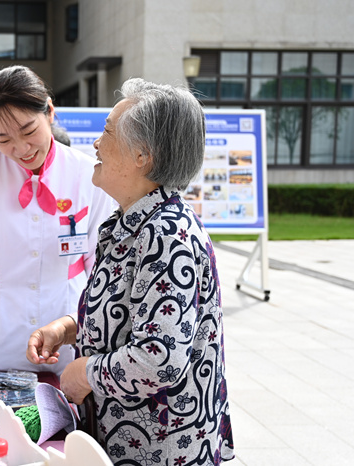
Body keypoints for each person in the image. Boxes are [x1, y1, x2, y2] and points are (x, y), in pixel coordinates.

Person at [27, 79, 234, 465]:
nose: (95, 144)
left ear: (142, 155)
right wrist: (70, 328)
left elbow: (160, 358)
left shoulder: (167, 234)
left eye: (107, 132)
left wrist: (86, 372)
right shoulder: (135, 221)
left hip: (159, 449)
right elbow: (132, 314)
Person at [0, 65, 114, 375]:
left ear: (49, 112)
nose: (21, 149)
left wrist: (78, 320)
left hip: (68, 323)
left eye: (28, 131)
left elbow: (100, 261)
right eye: (2, 139)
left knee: (67, 414)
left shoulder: (88, 173)